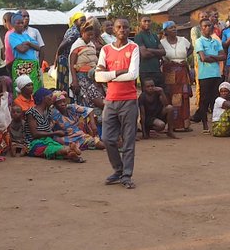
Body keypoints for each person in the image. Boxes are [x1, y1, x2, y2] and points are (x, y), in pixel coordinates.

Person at [97, 18, 141, 188]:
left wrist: (109, 74)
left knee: (128, 140)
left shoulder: (133, 47)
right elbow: (97, 76)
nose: (122, 29)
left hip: (129, 100)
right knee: (107, 139)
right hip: (111, 100)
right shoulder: (106, 49)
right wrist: (120, 71)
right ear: (113, 30)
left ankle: (126, 175)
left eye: (125, 26)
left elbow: (133, 75)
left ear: (129, 29)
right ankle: (118, 169)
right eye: (119, 27)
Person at [22, 88, 83, 162]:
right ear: (44, 98)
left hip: (47, 140)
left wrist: (62, 94)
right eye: (50, 97)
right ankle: (69, 150)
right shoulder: (31, 113)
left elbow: (54, 98)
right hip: (33, 143)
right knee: (51, 149)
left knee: (55, 147)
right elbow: (35, 134)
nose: (52, 99)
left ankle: (70, 152)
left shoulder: (47, 110)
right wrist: (55, 133)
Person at [159, 21, 193, 132]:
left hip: (182, 72)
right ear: (165, 31)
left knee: (183, 96)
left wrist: (184, 58)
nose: (174, 29)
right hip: (169, 72)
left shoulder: (183, 40)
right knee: (171, 96)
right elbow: (160, 55)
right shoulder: (162, 43)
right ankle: (172, 125)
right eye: (170, 28)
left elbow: (191, 49)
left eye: (175, 27)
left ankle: (184, 124)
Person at [193, 18, 226, 132]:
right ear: (201, 28)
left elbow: (223, 56)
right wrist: (216, 57)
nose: (207, 28)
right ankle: (205, 125)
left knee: (216, 100)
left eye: (209, 26)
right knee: (204, 101)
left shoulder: (216, 41)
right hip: (205, 75)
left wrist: (212, 57)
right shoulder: (199, 41)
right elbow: (203, 58)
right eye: (205, 26)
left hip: (216, 74)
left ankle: (215, 123)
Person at [70, 20, 104, 111]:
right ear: (82, 33)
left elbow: (93, 56)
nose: (90, 37)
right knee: (87, 99)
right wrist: (75, 81)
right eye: (88, 35)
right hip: (82, 77)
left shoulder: (91, 45)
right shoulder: (76, 45)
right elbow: (72, 64)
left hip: (93, 76)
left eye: (92, 35)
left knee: (98, 95)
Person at [8, 13, 41, 91]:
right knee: (23, 88)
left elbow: (38, 47)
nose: (21, 25)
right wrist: (30, 44)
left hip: (32, 65)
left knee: (34, 87)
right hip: (21, 66)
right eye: (18, 23)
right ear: (13, 24)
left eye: (22, 23)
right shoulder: (12, 36)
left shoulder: (26, 35)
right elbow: (21, 50)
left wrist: (28, 43)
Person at [135, 15, 164, 88]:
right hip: (146, 71)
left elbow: (163, 52)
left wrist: (149, 49)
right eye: (144, 21)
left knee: (159, 93)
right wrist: (157, 52)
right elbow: (144, 54)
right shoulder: (139, 36)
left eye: (149, 21)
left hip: (156, 70)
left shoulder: (154, 36)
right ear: (140, 23)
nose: (147, 23)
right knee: (148, 95)